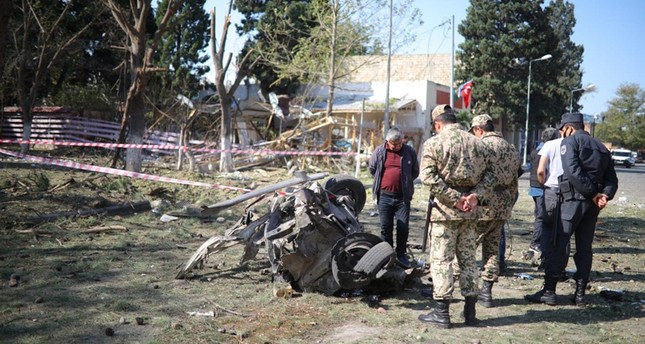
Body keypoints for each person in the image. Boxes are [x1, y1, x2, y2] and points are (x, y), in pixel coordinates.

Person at [525, 113, 618, 306]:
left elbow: (572, 171)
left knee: (559, 244)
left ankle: (549, 291)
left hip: (571, 201)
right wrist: (604, 195)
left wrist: (593, 194)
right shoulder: (601, 147)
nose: (562, 132)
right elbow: (612, 179)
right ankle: (580, 295)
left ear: (569, 128)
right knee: (584, 249)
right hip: (592, 206)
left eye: (562, 129)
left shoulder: (570, 142)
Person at [417, 105, 493, 328]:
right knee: (469, 261)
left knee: (441, 261)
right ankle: (470, 313)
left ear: (437, 124)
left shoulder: (434, 143)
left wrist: (454, 197)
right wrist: (474, 196)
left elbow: (428, 177)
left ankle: (442, 313)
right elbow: (491, 175)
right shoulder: (478, 143)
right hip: (470, 213)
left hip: (444, 213)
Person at [468, 114, 519, 308]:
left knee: (466, 245)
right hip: (503, 204)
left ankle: (447, 287)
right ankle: (487, 292)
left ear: (479, 130)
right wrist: (509, 203)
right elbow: (514, 181)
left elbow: (474, 176)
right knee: (492, 249)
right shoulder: (509, 147)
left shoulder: (481, 147)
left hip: (483, 204)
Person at [369, 126, 420, 267]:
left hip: (402, 198)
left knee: (403, 227)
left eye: (399, 143)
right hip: (384, 196)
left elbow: (415, 171)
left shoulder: (409, 152)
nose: (397, 146)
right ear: (387, 142)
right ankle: (386, 256)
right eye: (394, 144)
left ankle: (401, 254)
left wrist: (405, 182)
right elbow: (372, 169)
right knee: (386, 227)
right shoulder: (379, 151)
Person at [527, 128, 559, 256]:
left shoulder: (535, 151)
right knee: (542, 217)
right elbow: (542, 171)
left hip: (534, 187)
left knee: (539, 216)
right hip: (542, 187)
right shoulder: (548, 151)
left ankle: (539, 242)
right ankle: (536, 243)